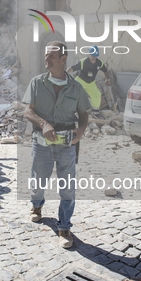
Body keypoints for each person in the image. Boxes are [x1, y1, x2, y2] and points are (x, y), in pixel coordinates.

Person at [22, 41, 91, 248]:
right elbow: (28, 111)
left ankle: (64, 227)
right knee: (38, 181)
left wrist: (81, 130)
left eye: (51, 56)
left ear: (63, 59)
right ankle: (36, 205)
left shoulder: (76, 87)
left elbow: (84, 114)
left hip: (67, 145)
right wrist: (44, 124)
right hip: (41, 143)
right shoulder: (36, 83)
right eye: (46, 55)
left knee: (67, 187)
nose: (47, 59)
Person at [66, 46, 112, 118]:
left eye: (96, 56)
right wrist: (65, 75)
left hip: (91, 82)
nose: (94, 57)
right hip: (80, 81)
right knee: (74, 95)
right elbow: (72, 68)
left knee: (96, 96)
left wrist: (108, 79)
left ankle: (95, 114)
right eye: (93, 55)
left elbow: (105, 71)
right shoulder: (83, 62)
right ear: (89, 54)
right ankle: (70, 112)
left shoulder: (99, 63)